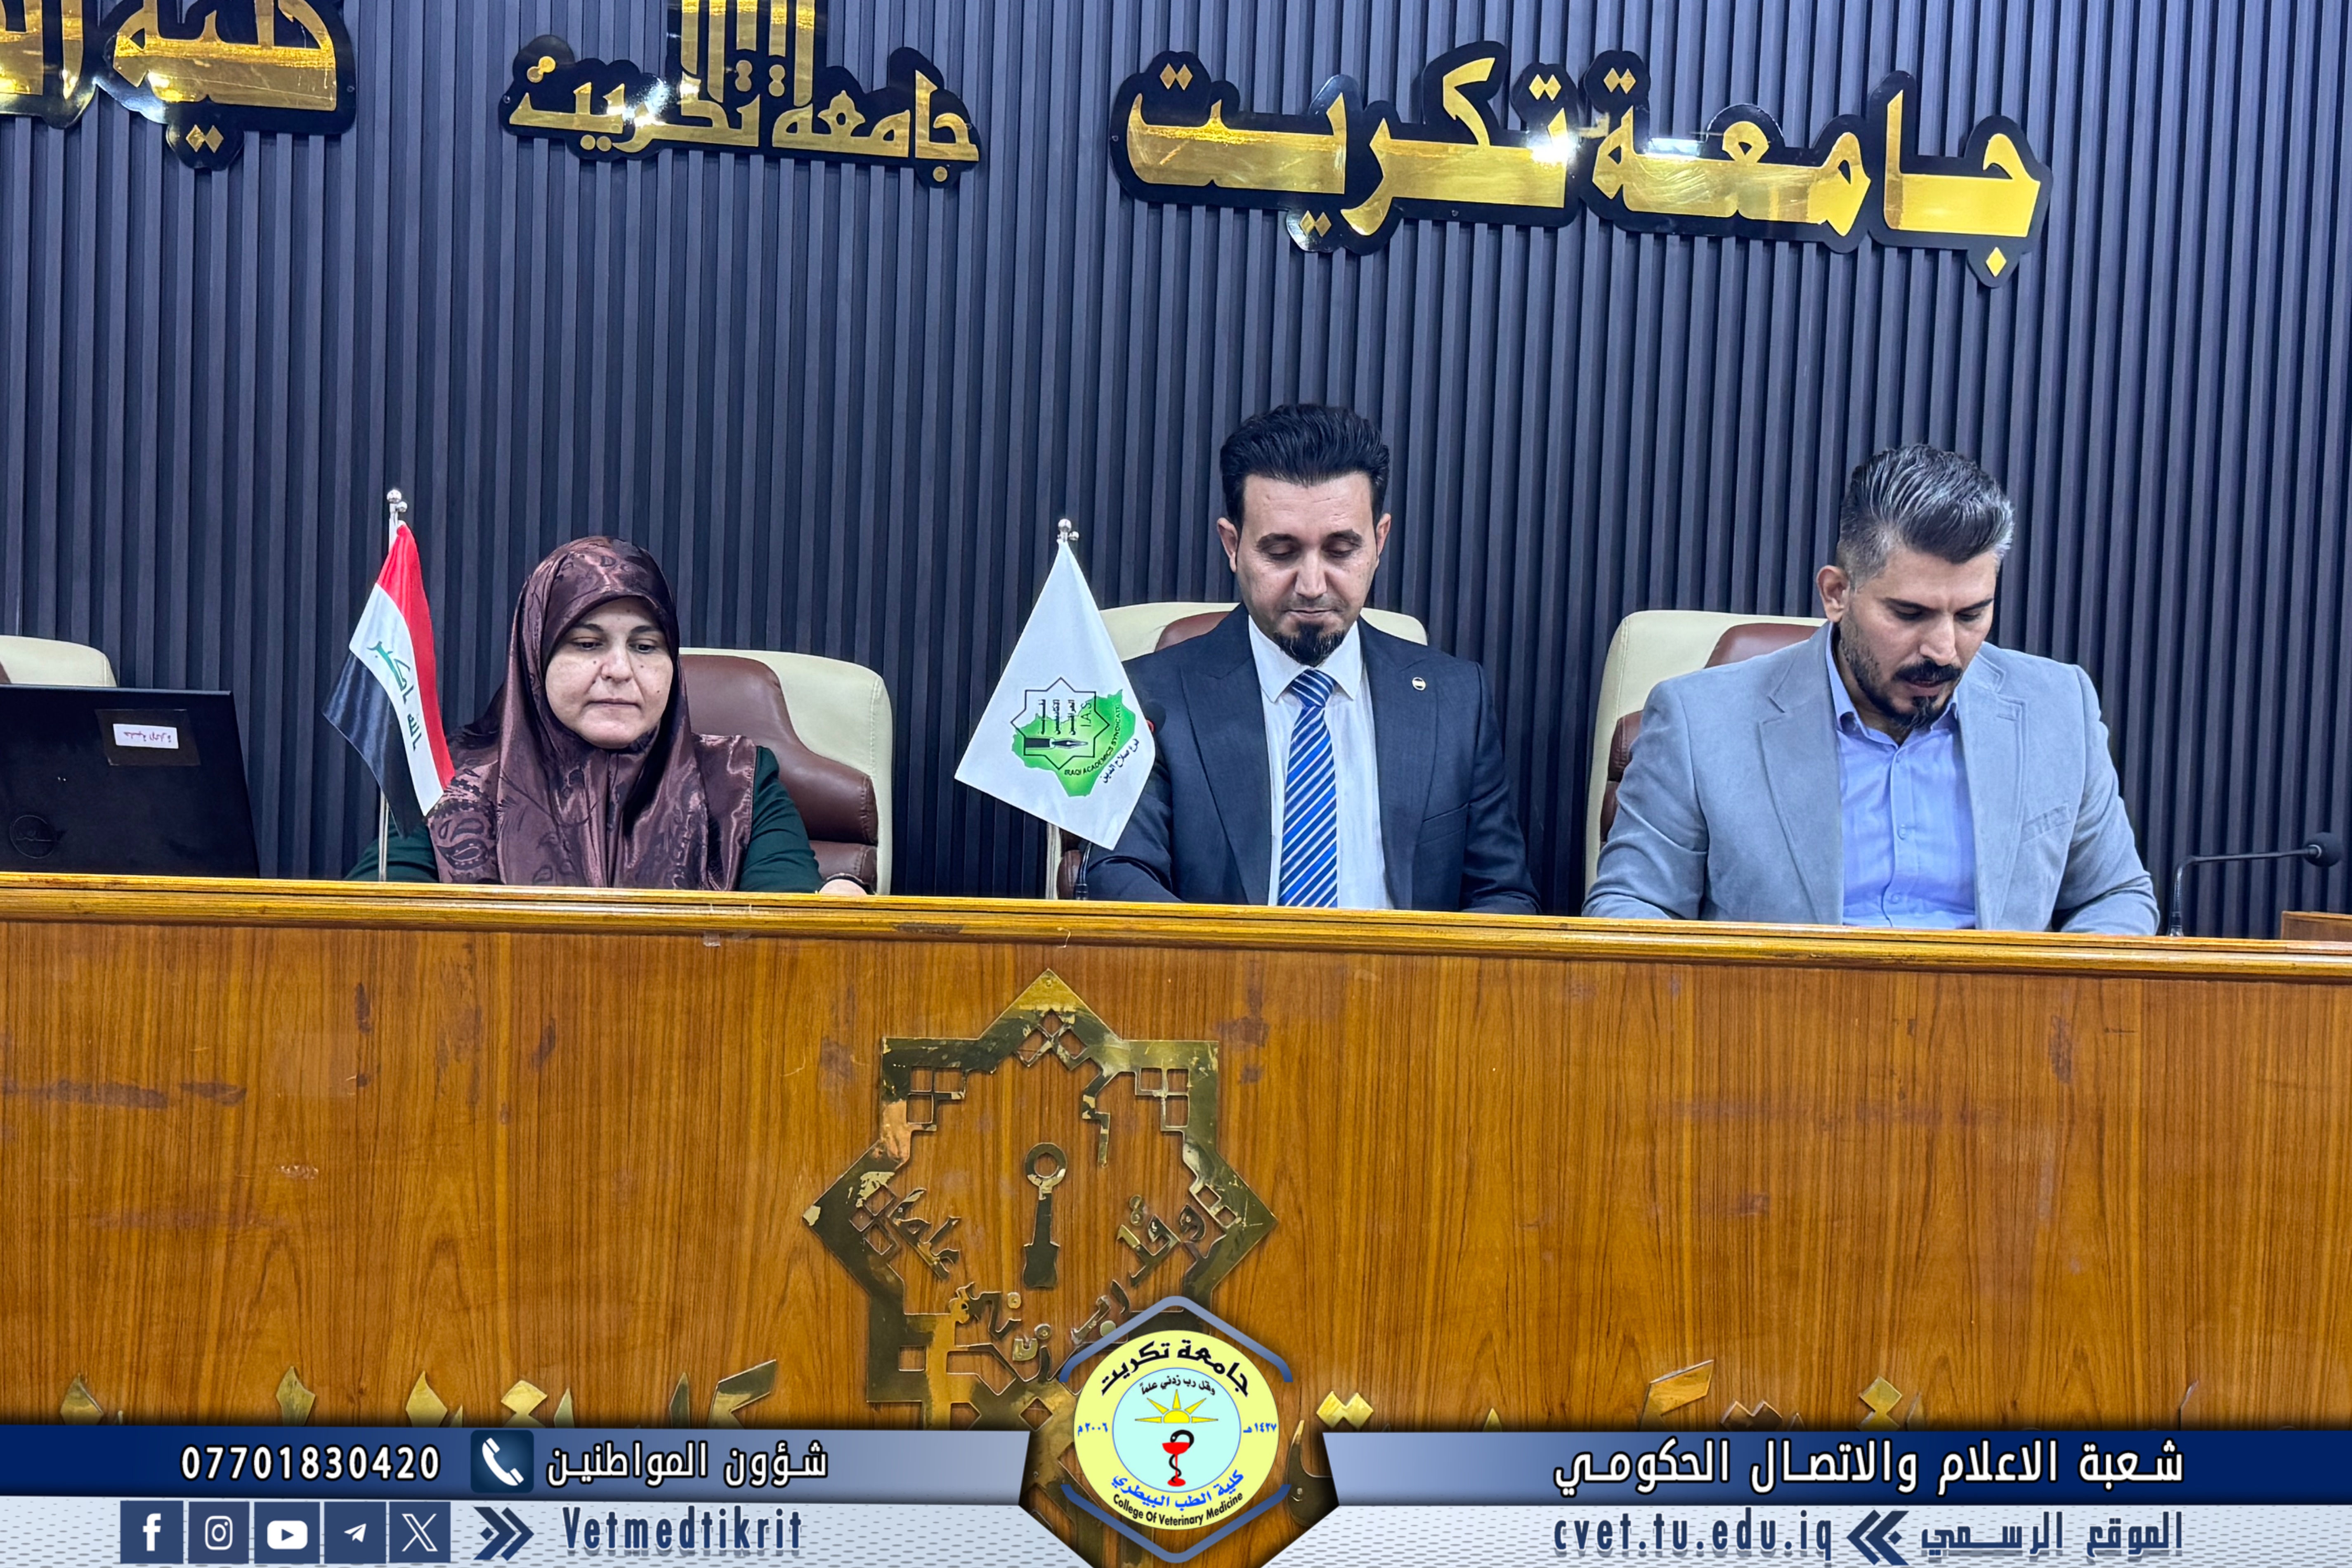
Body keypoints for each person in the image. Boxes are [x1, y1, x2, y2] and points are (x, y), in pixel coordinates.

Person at [1585, 445, 2156, 933]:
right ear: (1837, 594)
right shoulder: (1700, 721)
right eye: (1909, 613)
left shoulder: (2058, 707)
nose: (1943, 649)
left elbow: (2115, 896)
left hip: (1998, 1026)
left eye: (1971, 614)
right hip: (1781, 1023)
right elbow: (1631, 907)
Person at [1082, 404, 1540, 913]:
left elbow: (1504, 896)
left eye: (1341, 550)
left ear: (1379, 541)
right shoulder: (1148, 699)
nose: (1313, 585)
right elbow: (1118, 875)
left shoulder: (1455, 702)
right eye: (1281, 552)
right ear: (1233, 545)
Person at [350, 536, 861, 895]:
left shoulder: (740, 779)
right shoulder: (447, 778)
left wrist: (841, 890)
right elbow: (374, 922)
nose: (619, 670)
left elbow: (790, 922)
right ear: (534, 659)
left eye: (646, 646)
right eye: (588, 644)